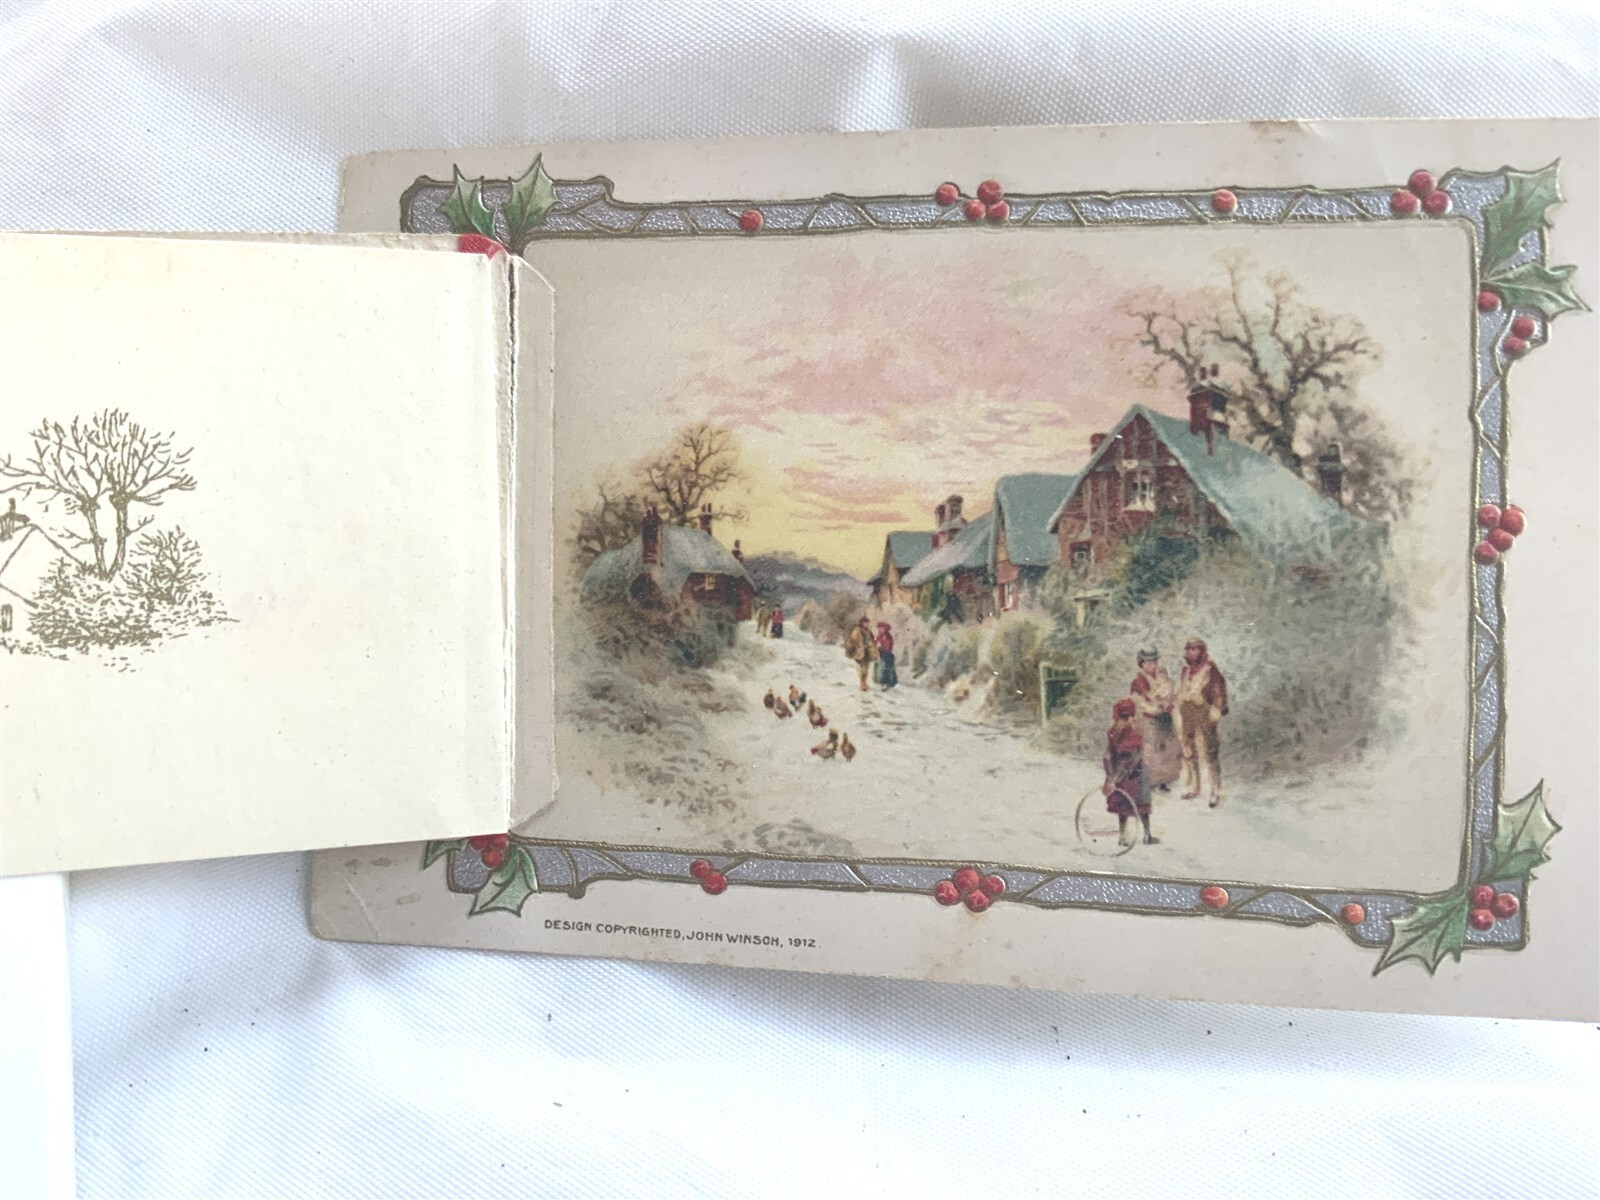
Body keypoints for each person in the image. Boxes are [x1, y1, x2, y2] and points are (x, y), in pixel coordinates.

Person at [1175, 636, 1229, 807]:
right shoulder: (1185, 670)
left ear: (1201, 651)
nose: (1191, 652)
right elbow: (1182, 689)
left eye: (1195, 649)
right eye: (1189, 649)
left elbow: (1219, 690)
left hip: (1204, 711)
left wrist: (1217, 709)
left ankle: (1215, 790)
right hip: (1187, 712)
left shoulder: (1210, 668)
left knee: (1210, 749)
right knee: (1189, 748)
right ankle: (1195, 787)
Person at [1102, 697, 1158, 846]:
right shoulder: (1132, 735)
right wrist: (1118, 776)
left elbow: (1107, 756)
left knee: (1123, 806)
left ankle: (1122, 837)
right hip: (1135, 774)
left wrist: (1111, 776)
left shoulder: (1113, 732)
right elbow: (1132, 758)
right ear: (1131, 715)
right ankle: (1147, 835)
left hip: (1118, 774)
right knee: (1142, 804)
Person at [1129, 648, 1181, 791]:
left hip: (1164, 717)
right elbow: (1140, 702)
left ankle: (1164, 780)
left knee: (1168, 748)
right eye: (1149, 663)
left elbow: (1170, 694)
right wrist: (1156, 708)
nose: (1153, 666)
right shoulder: (1138, 681)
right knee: (1151, 750)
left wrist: (1168, 702)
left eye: (1155, 662)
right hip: (1148, 720)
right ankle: (1150, 781)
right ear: (1142, 664)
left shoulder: (1162, 677)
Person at [843, 615, 878, 691]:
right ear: (862, 623)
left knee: (866, 668)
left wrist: (872, 646)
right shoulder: (857, 630)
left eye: (867, 623)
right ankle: (862, 684)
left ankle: (864, 683)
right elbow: (853, 640)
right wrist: (860, 645)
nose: (867, 624)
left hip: (867, 652)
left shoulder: (868, 631)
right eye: (865, 623)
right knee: (863, 668)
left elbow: (872, 639)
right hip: (860, 652)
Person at [875, 621, 898, 690]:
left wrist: (880, 648)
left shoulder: (887, 636)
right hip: (883, 654)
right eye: (879, 628)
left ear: (885, 629)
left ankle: (886, 684)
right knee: (882, 668)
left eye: (881, 628)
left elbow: (888, 647)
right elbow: (875, 642)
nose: (880, 630)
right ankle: (886, 683)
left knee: (886, 669)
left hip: (887, 655)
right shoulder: (880, 635)